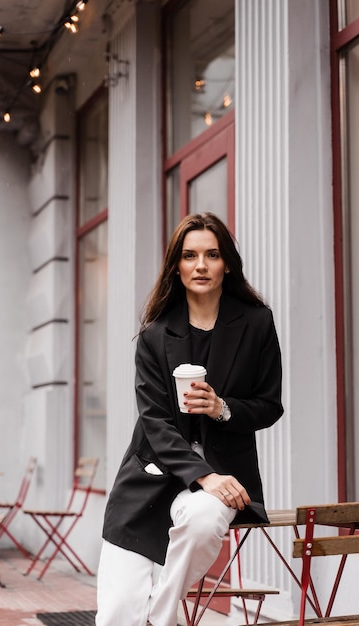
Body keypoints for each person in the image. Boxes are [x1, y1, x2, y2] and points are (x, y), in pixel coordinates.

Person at [96, 212, 284, 626]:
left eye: (212, 255)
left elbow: (270, 405)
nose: (201, 265)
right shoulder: (154, 336)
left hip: (223, 476)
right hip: (149, 480)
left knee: (203, 518)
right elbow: (155, 422)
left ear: (227, 263)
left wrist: (223, 408)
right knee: (115, 614)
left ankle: (160, 618)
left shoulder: (256, 324)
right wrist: (203, 476)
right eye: (190, 255)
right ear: (176, 266)